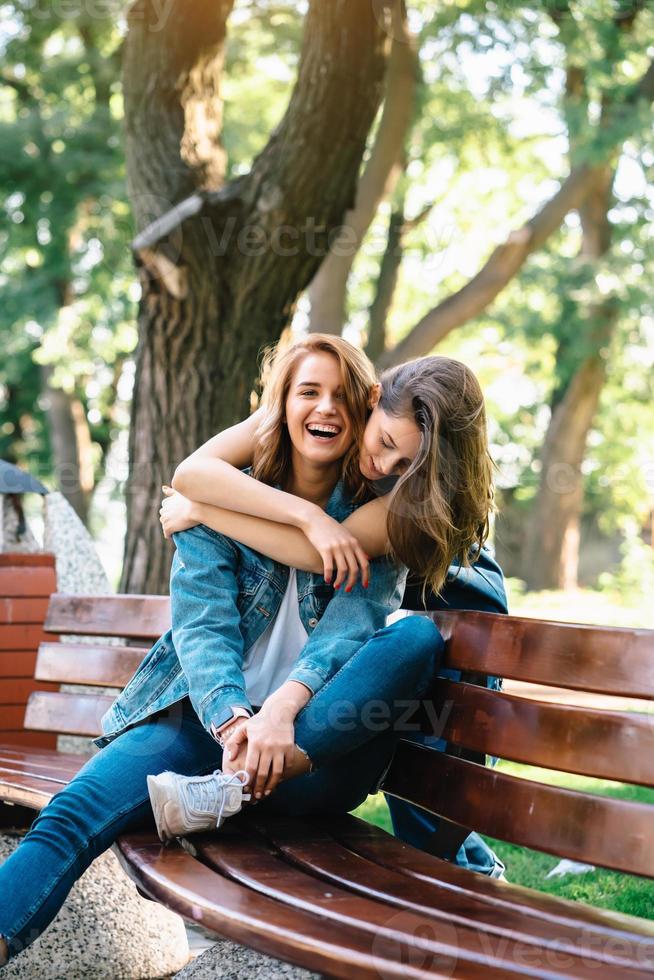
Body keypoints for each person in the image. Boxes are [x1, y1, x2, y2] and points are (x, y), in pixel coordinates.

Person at [0, 332, 488, 965]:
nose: (325, 409)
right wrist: (234, 721)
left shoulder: (387, 514)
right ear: (279, 406)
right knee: (71, 814)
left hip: (313, 755)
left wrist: (279, 715)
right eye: (308, 392)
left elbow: (350, 630)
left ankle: (226, 791)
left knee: (415, 636)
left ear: (366, 408)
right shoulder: (226, 490)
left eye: (341, 397)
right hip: (206, 723)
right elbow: (202, 629)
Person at [160, 337, 506, 876]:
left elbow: (321, 557)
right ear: (372, 399)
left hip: (460, 624)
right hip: (399, 618)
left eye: (405, 461)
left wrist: (205, 510)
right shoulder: (324, 407)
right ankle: (471, 870)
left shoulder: (407, 502)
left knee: (428, 769)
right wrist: (303, 514)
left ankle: (467, 879)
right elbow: (191, 472)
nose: (383, 463)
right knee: (394, 729)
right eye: (385, 440)